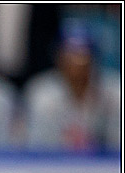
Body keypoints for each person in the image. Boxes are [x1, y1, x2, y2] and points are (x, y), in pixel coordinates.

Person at [22, 18, 121, 152]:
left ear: (94, 57)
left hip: (106, 168)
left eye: (83, 54)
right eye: (71, 54)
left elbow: (117, 147)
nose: (77, 62)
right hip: (56, 167)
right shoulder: (41, 93)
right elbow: (40, 148)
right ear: (59, 57)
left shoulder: (115, 91)